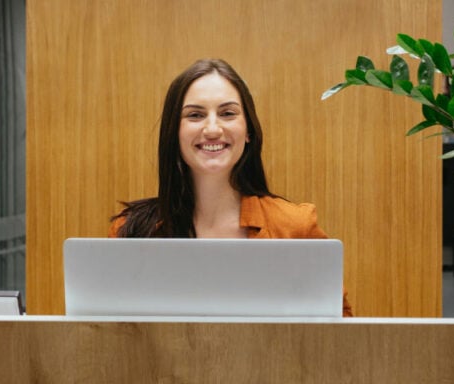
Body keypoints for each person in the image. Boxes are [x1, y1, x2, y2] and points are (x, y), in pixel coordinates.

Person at [109, 59, 352, 317]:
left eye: (227, 113)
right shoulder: (131, 231)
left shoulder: (296, 227)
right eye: (195, 115)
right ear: (174, 133)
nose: (212, 129)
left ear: (248, 131)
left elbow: (338, 336)